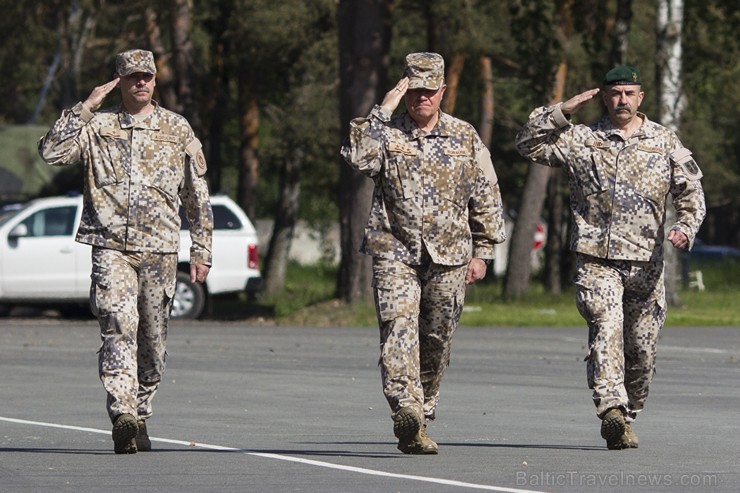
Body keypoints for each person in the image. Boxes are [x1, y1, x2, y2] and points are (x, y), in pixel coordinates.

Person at [515, 66, 706, 450]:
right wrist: (562, 111)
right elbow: (528, 144)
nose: (622, 100)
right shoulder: (583, 139)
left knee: (641, 350)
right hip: (596, 258)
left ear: (641, 98)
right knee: (605, 327)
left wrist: (686, 227)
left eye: (629, 93)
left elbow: (692, 191)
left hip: (646, 264)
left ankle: (628, 410)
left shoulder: (664, 141)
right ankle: (611, 409)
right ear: (605, 97)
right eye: (615, 93)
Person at [38, 49, 213, 454]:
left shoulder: (176, 127)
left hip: (160, 249)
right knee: (118, 324)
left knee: (152, 342)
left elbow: (196, 195)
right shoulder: (97, 126)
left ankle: (141, 412)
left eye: (147, 76)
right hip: (110, 247)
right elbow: (51, 153)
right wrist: (85, 107)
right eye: (133, 76)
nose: (141, 83)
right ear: (118, 80)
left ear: (155, 80)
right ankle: (123, 415)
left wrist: (202, 248)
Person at [341, 52, 506, 454]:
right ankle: (406, 407)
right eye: (413, 91)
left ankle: (423, 409)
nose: (421, 99)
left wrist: (483, 250)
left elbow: (486, 193)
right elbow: (358, 158)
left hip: (450, 254)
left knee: (436, 338)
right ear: (404, 90)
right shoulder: (386, 132)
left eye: (429, 92)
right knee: (398, 328)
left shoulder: (464, 135)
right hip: (394, 248)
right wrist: (381, 111)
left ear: (443, 91)